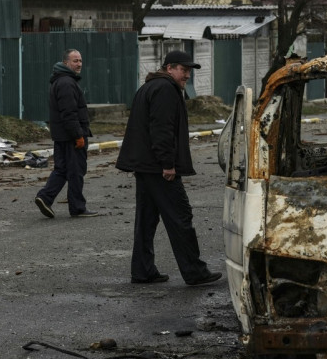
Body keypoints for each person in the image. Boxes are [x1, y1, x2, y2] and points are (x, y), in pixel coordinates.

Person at [116, 50, 222, 286]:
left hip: (145, 166)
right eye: (184, 71)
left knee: (146, 220)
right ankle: (194, 271)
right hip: (158, 168)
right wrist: (167, 164)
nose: (187, 76)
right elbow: (161, 129)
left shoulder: (150, 86)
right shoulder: (165, 89)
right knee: (180, 215)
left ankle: (142, 271)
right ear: (170, 67)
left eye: (188, 72)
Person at [34, 49, 100, 218]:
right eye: (75, 61)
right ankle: (78, 207)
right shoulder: (66, 83)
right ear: (65, 63)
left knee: (62, 169)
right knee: (76, 171)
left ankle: (45, 197)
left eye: (80, 60)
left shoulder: (62, 81)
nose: (79, 64)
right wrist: (78, 135)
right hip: (71, 136)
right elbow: (69, 113)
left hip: (62, 135)